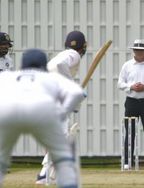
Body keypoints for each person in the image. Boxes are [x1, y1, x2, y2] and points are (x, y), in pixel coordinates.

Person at [0, 49, 85, 188]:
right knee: (62, 157)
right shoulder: (51, 77)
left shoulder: (9, 75)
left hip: (10, 110)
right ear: (44, 66)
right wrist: (62, 113)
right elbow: (77, 93)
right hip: (42, 109)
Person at [37, 30, 88, 184]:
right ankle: (44, 174)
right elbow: (59, 66)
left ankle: (47, 174)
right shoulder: (74, 54)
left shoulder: (62, 55)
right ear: (82, 46)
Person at [118, 39, 144, 170]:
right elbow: (120, 83)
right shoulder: (127, 65)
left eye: (141, 50)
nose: (139, 52)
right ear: (133, 51)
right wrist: (131, 86)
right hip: (131, 101)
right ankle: (127, 162)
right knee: (129, 132)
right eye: (136, 50)